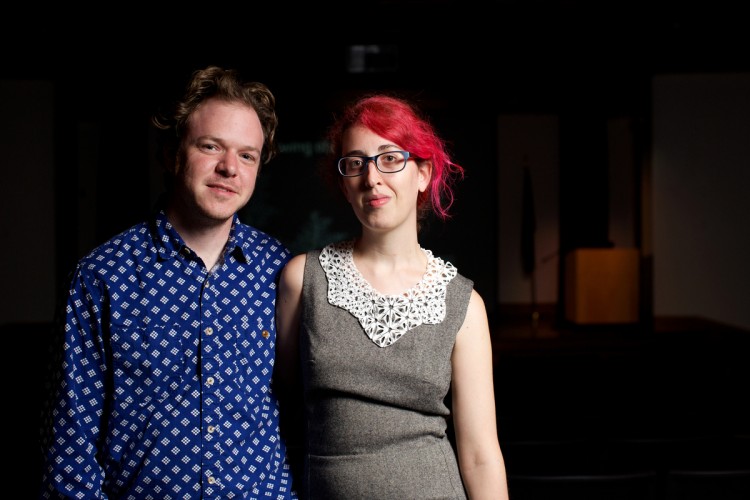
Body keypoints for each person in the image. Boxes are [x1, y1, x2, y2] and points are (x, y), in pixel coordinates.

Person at [39, 66, 297, 499]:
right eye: (210, 146)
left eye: (247, 155)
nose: (229, 168)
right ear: (170, 152)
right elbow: (71, 448)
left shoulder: (281, 272)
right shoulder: (101, 278)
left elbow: (304, 420)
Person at [274, 94, 508, 499]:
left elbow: (480, 456)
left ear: (422, 174)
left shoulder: (464, 304)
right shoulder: (303, 280)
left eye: (390, 158)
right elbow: (275, 412)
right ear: (344, 186)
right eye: (356, 163)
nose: (372, 178)